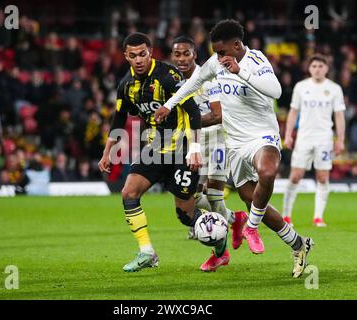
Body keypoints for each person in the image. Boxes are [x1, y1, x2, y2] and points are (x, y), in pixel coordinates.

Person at [155, 19, 314, 278]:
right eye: (216, 52)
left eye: (222, 51)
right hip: (235, 143)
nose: (218, 56)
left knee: (268, 171)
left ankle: (250, 227)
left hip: (263, 135)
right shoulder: (215, 63)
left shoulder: (257, 61)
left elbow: (276, 91)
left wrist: (241, 71)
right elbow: (192, 84)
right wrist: (169, 106)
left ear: (237, 45)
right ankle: (298, 243)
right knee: (251, 198)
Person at [98, 32, 227, 273]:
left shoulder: (168, 76)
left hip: (182, 151)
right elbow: (118, 120)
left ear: (150, 52)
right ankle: (147, 252)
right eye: (133, 55)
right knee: (128, 192)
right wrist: (107, 153)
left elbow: (193, 112)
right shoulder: (126, 85)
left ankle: (220, 243)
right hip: (155, 149)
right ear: (126, 56)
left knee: (186, 215)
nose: (139, 60)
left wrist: (196, 150)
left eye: (143, 54)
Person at [171, 36, 247, 260]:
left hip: (216, 138)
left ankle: (219, 252)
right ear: (172, 56)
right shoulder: (171, 80)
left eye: (187, 54)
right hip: (191, 140)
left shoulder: (207, 78)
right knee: (190, 195)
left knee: (214, 194)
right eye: (178, 54)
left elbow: (217, 115)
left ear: (195, 55)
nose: (182, 58)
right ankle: (235, 219)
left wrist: (188, 122)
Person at [283, 54, 346, 227]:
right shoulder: (301, 87)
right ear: (309, 68)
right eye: (314, 66)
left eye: (320, 66)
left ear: (326, 68)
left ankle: (318, 217)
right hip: (304, 137)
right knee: (295, 176)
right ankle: (286, 216)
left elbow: (339, 116)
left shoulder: (334, 89)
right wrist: (288, 135)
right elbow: (293, 112)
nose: (317, 69)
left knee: (323, 177)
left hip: (324, 138)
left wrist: (340, 140)